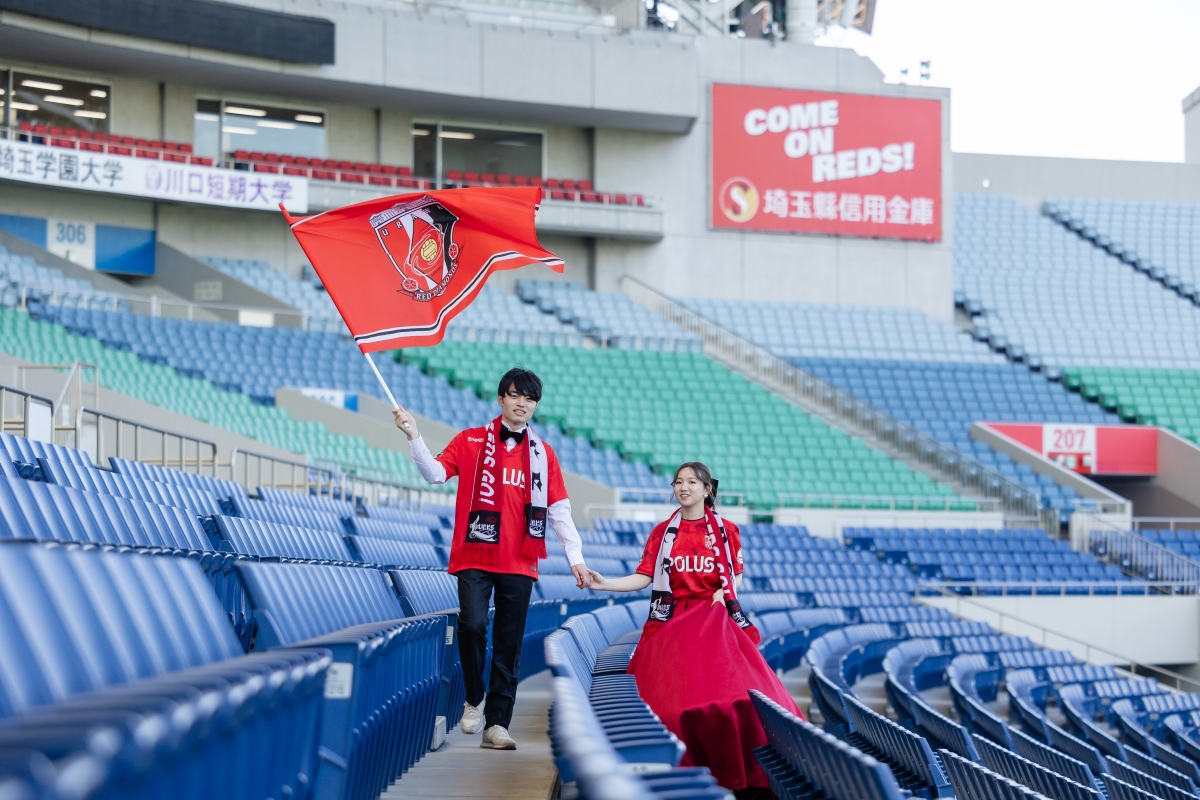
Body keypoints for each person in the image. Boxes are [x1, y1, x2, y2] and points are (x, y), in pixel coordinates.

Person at [393, 367, 591, 751]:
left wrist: (575, 557)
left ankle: (497, 724)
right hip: (475, 554)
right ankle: (473, 698)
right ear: (501, 399)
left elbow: (559, 509)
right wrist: (414, 435)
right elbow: (435, 474)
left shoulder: (543, 454)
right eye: (515, 395)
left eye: (530, 398)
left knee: (508, 644)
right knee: (472, 625)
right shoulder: (470, 440)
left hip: (521, 559)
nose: (522, 403)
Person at [587, 462, 802, 797]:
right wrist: (605, 584)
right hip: (672, 622)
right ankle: (677, 777)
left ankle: (741, 776)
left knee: (738, 699)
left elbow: (735, 573)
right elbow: (645, 577)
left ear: (707, 489)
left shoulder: (727, 529)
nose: (683, 487)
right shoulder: (662, 532)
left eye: (691, 482)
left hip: (714, 620)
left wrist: (724, 592)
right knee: (667, 706)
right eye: (678, 482)